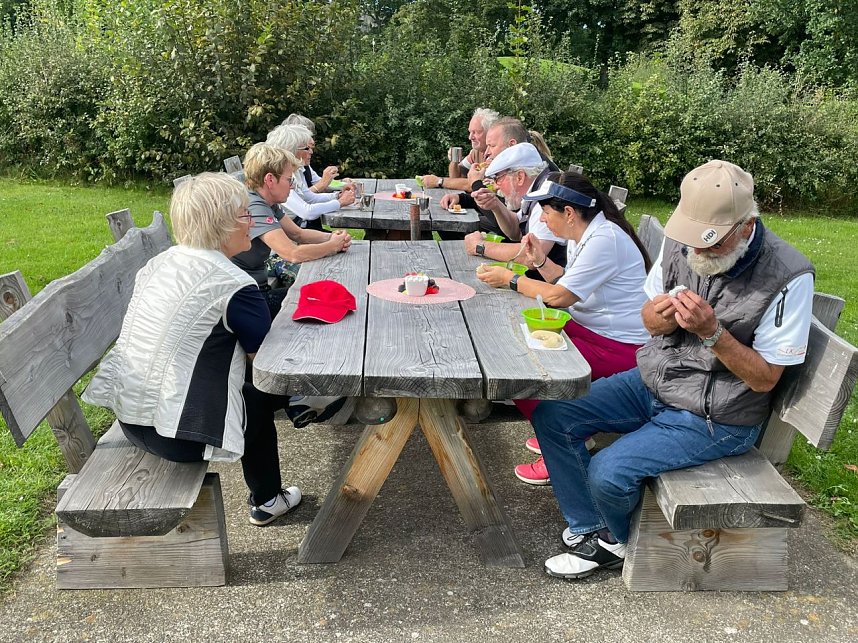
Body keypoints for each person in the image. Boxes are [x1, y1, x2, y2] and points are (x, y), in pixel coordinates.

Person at [531, 160, 815, 580]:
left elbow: (765, 378)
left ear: (745, 225)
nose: (696, 252)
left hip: (717, 415)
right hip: (656, 381)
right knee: (553, 412)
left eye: (711, 244)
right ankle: (593, 528)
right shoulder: (680, 241)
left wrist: (713, 333)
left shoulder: (788, 276)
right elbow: (647, 319)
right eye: (692, 241)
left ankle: (615, 541)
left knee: (608, 472)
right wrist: (662, 317)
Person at [82, 172, 346, 528]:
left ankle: (304, 405)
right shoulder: (234, 285)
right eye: (243, 215)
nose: (251, 222)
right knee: (256, 398)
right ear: (219, 224)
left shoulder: (160, 264)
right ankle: (268, 499)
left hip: (130, 419)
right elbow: (268, 365)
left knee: (255, 386)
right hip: (177, 436)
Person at [477, 171, 652, 486]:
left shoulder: (603, 239)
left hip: (625, 351)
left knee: (523, 361)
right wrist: (540, 261)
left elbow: (560, 295)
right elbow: (566, 282)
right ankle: (565, 433)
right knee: (519, 341)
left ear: (569, 213)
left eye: (546, 211)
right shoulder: (587, 234)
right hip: (599, 334)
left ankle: (561, 442)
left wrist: (511, 279)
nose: (543, 218)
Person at [231, 143, 351, 316]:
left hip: (254, 290)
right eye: (289, 180)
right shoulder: (254, 206)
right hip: (248, 299)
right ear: (270, 180)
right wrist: (333, 246)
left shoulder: (266, 201)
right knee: (325, 303)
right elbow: (292, 254)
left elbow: (298, 233)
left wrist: (333, 237)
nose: (293, 186)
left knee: (326, 298)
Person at [460, 143, 568, 274]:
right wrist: (495, 205)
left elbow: (531, 257)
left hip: (552, 288)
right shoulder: (536, 189)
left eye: (498, 178)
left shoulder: (545, 199)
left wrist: (480, 247)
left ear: (520, 177)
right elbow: (515, 232)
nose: (497, 186)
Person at [266, 124, 355, 231]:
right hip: (291, 235)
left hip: (297, 232)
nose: (311, 151)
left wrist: (338, 195)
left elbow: (310, 198)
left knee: (343, 241)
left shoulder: (295, 171)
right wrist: (340, 202)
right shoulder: (278, 177)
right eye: (306, 148)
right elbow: (306, 212)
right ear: (291, 150)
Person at [419, 107, 499, 192]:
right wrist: (454, 160)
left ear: (490, 132)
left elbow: (474, 184)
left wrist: (439, 181)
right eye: (470, 132)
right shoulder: (476, 152)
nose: (470, 137)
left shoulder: (496, 154)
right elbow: (456, 177)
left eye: (476, 132)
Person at [282, 114, 340, 193]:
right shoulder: (284, 165)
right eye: (307, 135)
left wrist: (342, 183)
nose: (312, 140)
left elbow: (319, 181)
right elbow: (302, 198)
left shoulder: (302, 162)